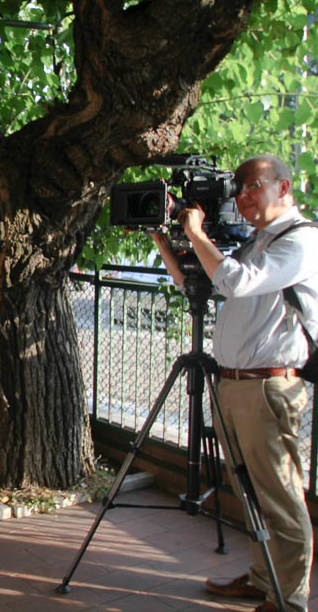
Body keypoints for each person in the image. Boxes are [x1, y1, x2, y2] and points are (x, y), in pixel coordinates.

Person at [152, 154, 317, 612]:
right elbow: (197, 284)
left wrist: (197, 233)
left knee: (280, 497)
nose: (242, 198)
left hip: (267, 388)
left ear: (283, 187)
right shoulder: (257, 242)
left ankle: (289, 599)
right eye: (238, 190)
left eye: (252, 187)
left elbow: (238, 283)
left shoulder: (301, 241)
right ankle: (263, 578)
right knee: (249, 491)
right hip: (234, 385)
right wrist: (165, 240)